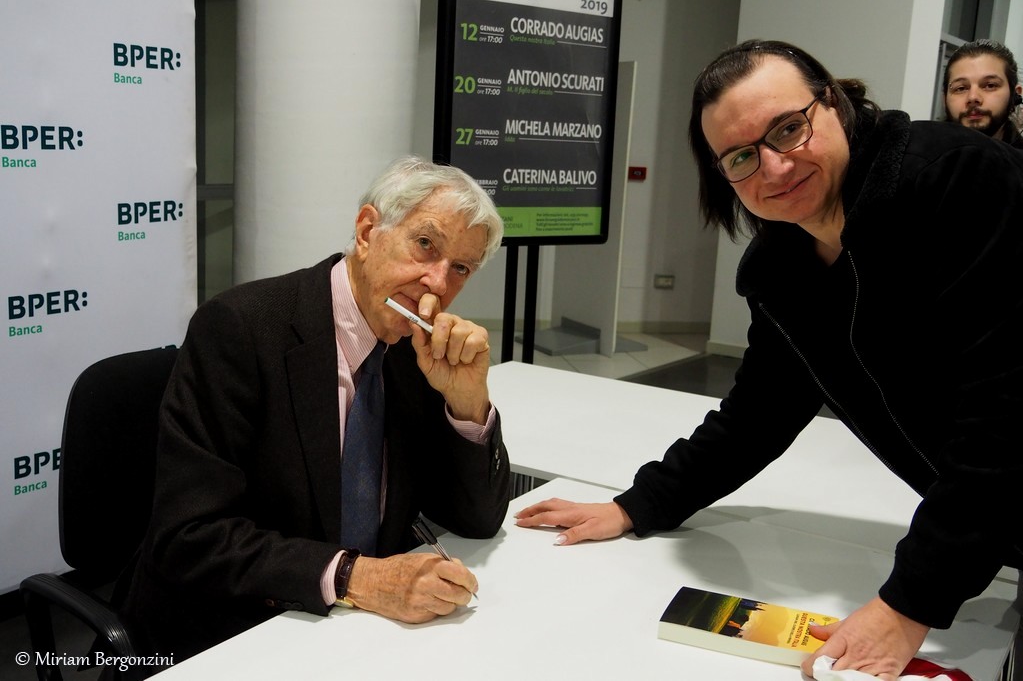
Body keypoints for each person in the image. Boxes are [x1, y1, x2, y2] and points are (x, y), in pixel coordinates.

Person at [515, 40, 1023, 681]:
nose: (775, 168)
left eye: (788, 129)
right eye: (741, 156)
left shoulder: (957, 178)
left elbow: (1006, 414)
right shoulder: (783, 268)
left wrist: (907, 605)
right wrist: (637, 505)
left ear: (833, 103)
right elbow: (757, 414)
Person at [122, 156, 511, 663]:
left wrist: (467, 401)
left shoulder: (416, 350)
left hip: (362, 636)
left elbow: (476, 520)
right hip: (233, 630)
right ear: (367, 232)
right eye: (425, 245)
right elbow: (190, 537)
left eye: (460, 268)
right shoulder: (240, 329)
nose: (438, 284)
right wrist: (358, 576)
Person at [943, 39, 1023, 149]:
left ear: (1014, 96)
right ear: (944, 99)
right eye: (961, 88)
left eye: (990, 86)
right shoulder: (922, 154)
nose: (973, 97)